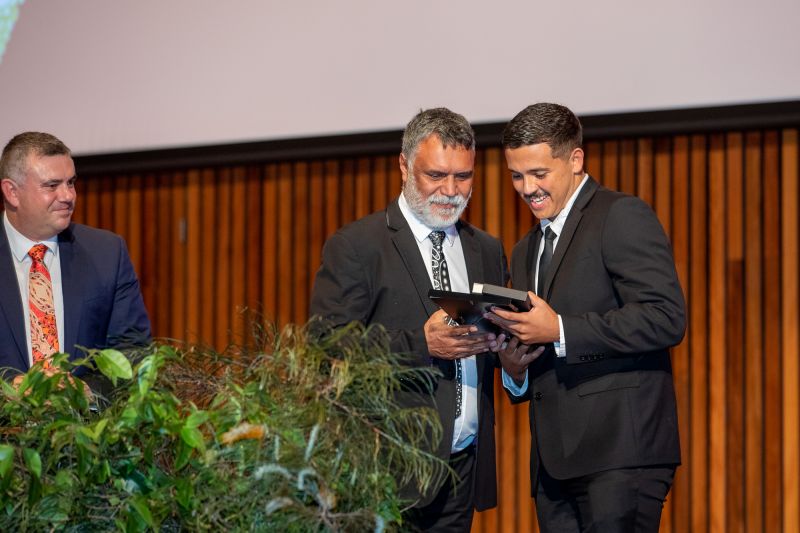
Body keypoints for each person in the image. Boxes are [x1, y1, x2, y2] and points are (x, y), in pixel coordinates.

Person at [484, 103, 686, 532]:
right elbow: (538, 352)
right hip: (553, 468)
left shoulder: (620, 215)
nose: (527, 188)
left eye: (539, 173)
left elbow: (665, 317)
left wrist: (559, 330)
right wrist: (515, 369)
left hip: (621, 456)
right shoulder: (524, 251)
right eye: (516, 176)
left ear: (575, 160)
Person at [310, 108, 506, 531]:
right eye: (436, 175)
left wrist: (512, 359)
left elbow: (491, 343)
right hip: (386, 474)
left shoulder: (486, 250)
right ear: (404, 166)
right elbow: (326, 345)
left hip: (462, 472)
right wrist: (422, 345)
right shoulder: (358, 246)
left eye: (463, 176)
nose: (451, 191)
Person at [0, 132, 151, 394]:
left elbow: (133, 352)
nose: (68, 195)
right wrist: (7, 390)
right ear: (12, 192)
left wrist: (85, 392)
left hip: (86, 418)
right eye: (52, 185)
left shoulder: (106, 253)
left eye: (70, 183)